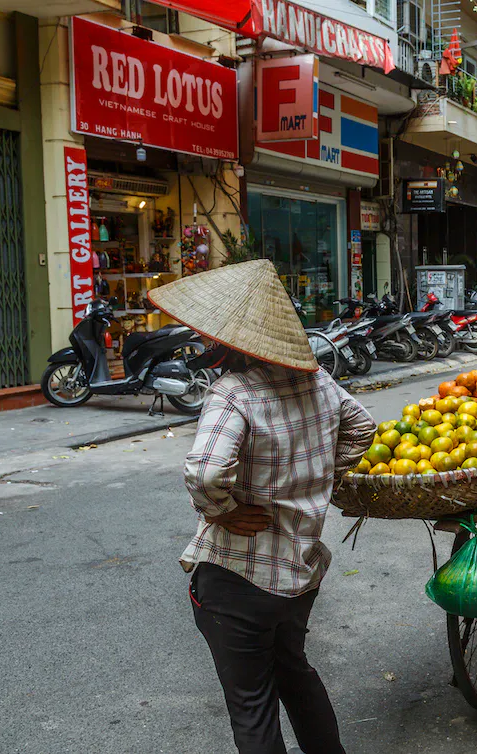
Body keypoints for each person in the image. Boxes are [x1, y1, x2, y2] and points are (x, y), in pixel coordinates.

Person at [148, 259, 376, 754]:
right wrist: (320, 480)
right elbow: (362, 427)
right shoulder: (316, 381)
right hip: (299, 570)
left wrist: (222, 511)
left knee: (252, 706)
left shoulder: (235, 391)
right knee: (294, 671)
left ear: (232, 340)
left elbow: (206, 472)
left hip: (239, 578)